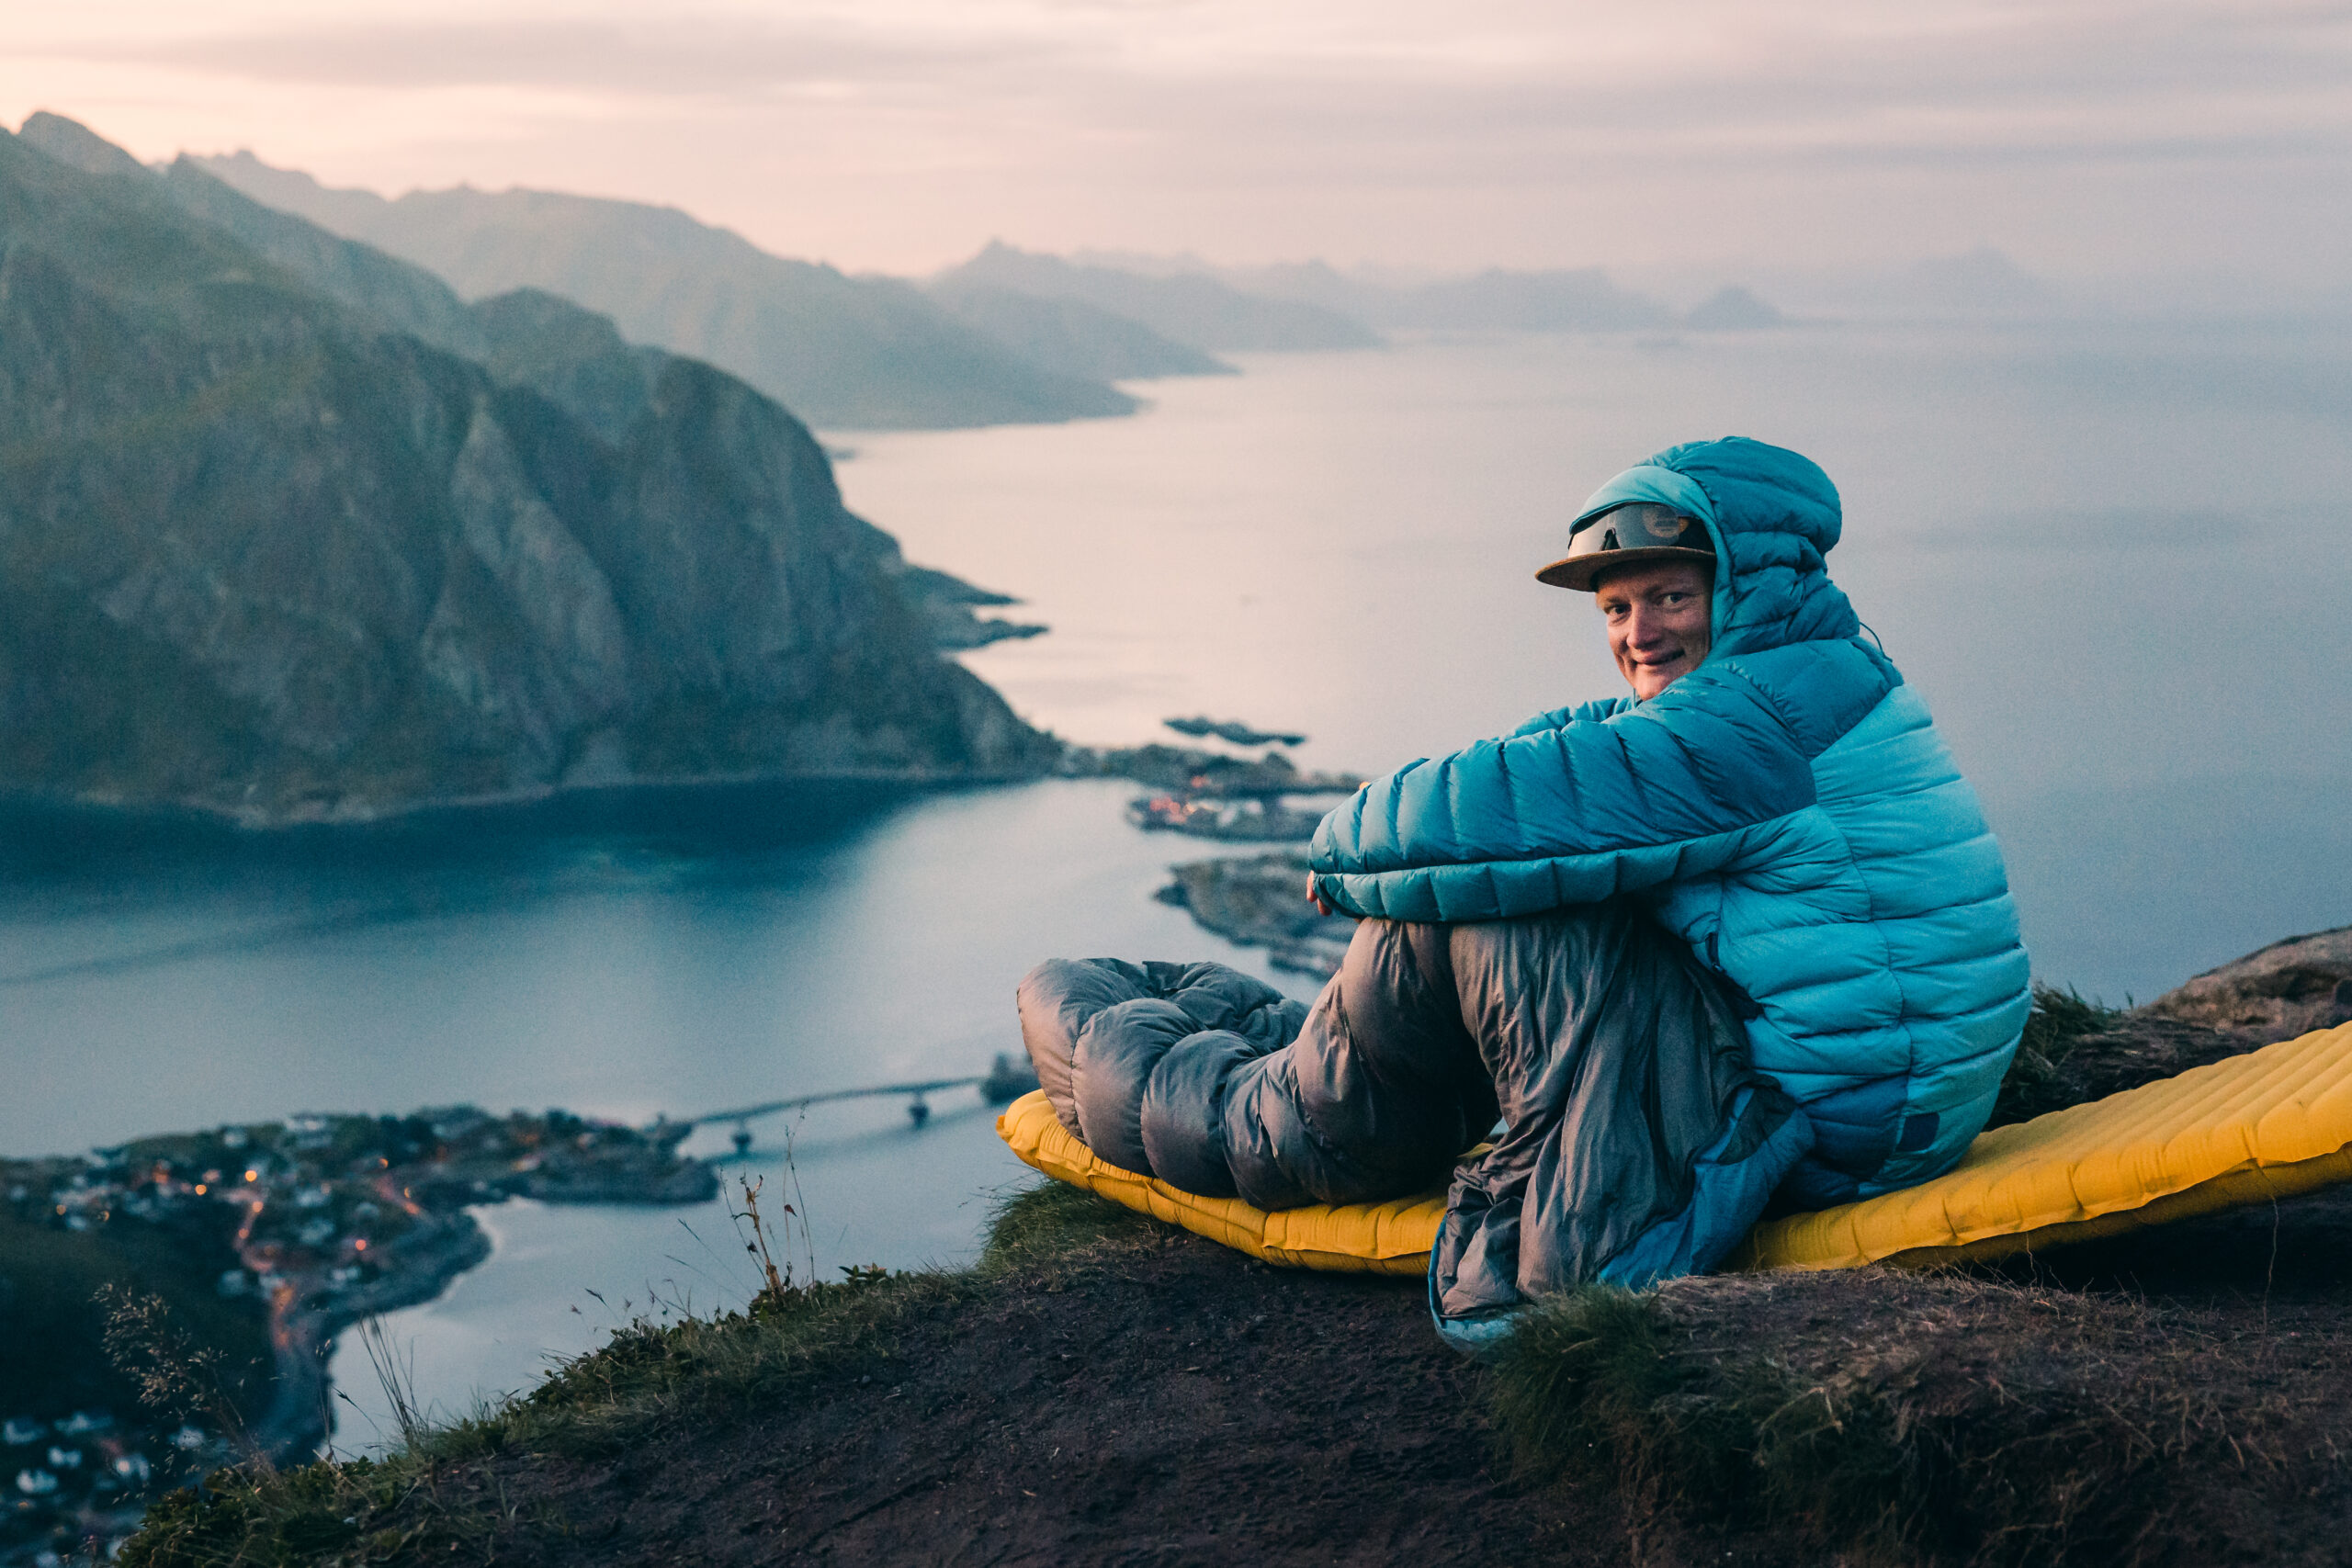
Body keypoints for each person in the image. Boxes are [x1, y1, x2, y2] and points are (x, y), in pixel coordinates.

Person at [1019, 436, 2029, 1351]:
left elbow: (1481, 807)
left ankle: (1262, 1116)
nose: (1639, 633)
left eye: (1670, 597)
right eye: (1616, 608)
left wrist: (1333, 857)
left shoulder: (1746, 729)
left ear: (1743, 586)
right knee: (1506, 880)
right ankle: (1281, 1081)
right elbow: (1559, 757)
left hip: (1831, 1131)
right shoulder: (1810, 680)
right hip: (1873, 1096)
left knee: (1501, 906)